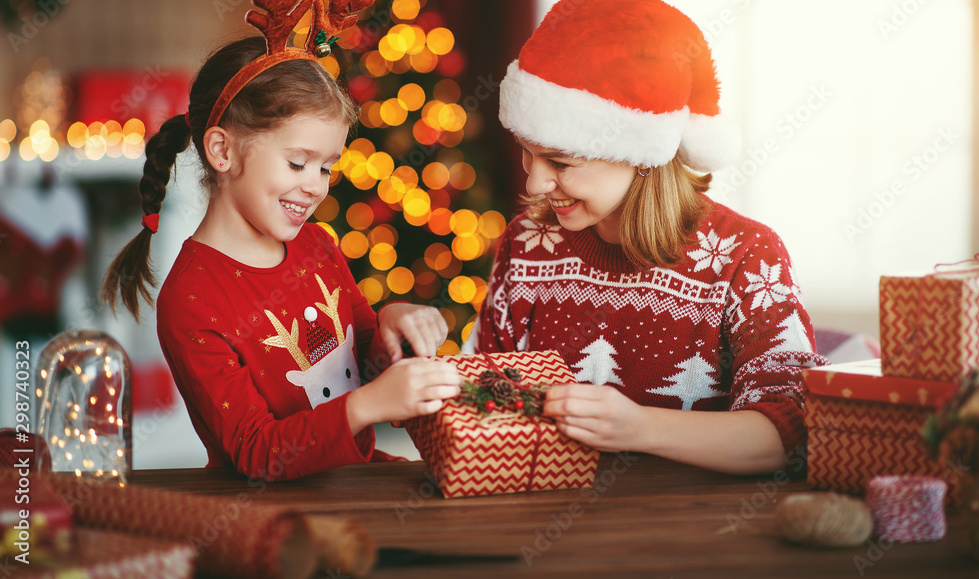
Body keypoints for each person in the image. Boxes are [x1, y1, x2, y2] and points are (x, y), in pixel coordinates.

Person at [464, 0, 828, 475]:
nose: (534, 183)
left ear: (639, 153)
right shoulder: (527, 242)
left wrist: (640, 428)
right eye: (528, 154)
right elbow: (483, 399)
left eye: (561, 163)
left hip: (696, 534)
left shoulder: (746, 255)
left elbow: (788, 434)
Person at [101, 6, 460, 481]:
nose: (316, 186)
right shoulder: (193, 302)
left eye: (326, 167)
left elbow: (366, 362)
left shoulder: (318, 244)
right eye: (297, 163)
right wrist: (369, 405)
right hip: (280, 518)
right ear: (223, 150)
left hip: (357, 480)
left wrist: (392, 325)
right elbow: (257, 452)